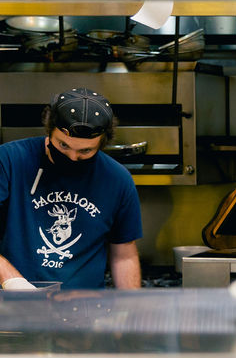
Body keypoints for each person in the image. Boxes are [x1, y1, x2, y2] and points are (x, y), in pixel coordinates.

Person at [0, 88, 142, 290]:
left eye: (85, 151)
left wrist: (133, 309)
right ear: (49, 130)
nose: (73, 157)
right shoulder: (9, 161)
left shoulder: (117, 179)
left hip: (84, 310)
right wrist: (12, 280)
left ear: (102, 143)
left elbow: (124, 255)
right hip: (10, 307)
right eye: (63, 146)